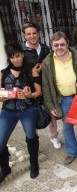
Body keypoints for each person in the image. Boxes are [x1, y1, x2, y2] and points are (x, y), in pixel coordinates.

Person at [42, 32, 77, 165]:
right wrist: (51, 106)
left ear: (67, 43)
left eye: (62, 44)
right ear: (52, 45)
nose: (59, 47)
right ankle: (72, 152)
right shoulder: (47, 62)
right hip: (64, 100)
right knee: (67, 127)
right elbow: (46, 86)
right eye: (56, 45)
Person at [0, 42, 42, 182]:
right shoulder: (3, 74)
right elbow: (0, 97)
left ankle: (34, 163)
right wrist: (4, 97)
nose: (16, 60)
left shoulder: (31, 70)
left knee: (31, 137)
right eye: (12, 57)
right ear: (9, 58)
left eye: (18, 56)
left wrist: (30, 95)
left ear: (22, 54)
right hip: (8, 110)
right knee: (0, 141)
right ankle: (5, 168)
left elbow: (39, 92)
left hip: (28, 109)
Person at [21, 22, 61, 149]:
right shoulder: (21, 51)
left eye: (34, 33)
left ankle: (54, 136)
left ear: (38, 34)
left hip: (45, 86)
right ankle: (34, 140)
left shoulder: (45, 48)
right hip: (29, 87)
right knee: (31, 114)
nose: (32, 36)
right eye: (29, 34)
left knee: (51, 111)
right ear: (25, 36)